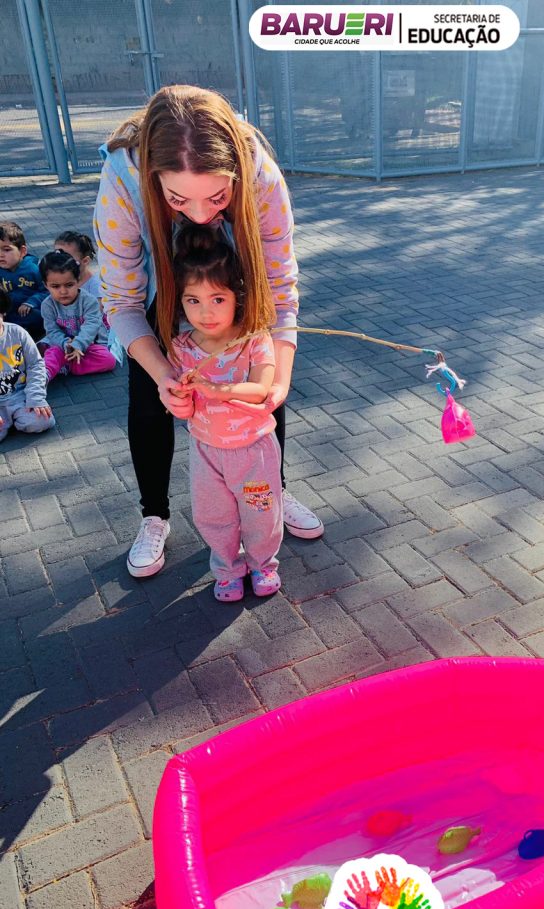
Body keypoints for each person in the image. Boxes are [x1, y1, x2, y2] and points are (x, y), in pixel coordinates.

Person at [93, 85, 324, 581]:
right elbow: (122, 301)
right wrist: (163, 374)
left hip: (231, 286)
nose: (199, 215)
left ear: (236, 172)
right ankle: (154, 515)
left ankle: (273, 492)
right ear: (152, 177)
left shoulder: (258, 171)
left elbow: (280, 287)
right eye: (178, 199)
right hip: (161, 292)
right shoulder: (122, 177)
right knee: (150, 400)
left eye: (217, 197)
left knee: (262, 394)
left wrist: (279, 380)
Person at [171, 225, 282, 600]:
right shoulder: (181, 347)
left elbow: (261, 388)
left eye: (217, 299)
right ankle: (227, 569)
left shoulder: (254, 338)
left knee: (260, 512)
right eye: (193, 300)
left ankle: (263, 564)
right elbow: (182, 405)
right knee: (213, 515)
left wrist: (216, 390)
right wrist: (180, 393)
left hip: (253, 450)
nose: (205, 312)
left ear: (237, 296)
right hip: (205, 449)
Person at [38, 250, 117, 381]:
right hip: (62, 345)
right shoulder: (47, 305)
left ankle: (66, 365)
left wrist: (78, 345)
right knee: (53, 351)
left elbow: (92, 325)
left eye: (69, 285)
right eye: (55, 286)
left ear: (78, 281)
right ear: (45, 285)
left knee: (109, 360)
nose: (63, 291)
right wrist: (65, 344)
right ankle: (43, 376)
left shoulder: (89, 301)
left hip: (89, 345)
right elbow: (52, 331)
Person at [0, 290, 54, 442]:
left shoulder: (17, 332)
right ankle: (9, 423)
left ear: (3, 311)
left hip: (19, 395)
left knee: (43, 420)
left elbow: (36, 365)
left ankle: (14, 420)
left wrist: (36, 397)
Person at [0, 221, 47, 340]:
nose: (1, 255)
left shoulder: (34, 269)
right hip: (7, 314)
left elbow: (47, 290)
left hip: (30, 312)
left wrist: (31, 302)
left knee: (36, 317)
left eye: (6, 250)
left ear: (22, 251)